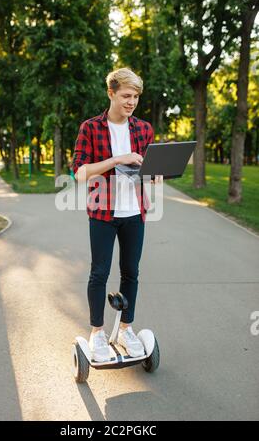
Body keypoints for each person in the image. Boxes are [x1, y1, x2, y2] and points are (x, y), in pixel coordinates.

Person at [72, 67, 160, 362]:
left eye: (135, 96)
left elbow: (147, 169)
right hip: (103, 212)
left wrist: (157, 174)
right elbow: (80, 174)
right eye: (125, 95)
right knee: (99, 273)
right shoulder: (91, 128)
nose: (131, 101)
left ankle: (125, 329)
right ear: (111, 93)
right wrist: (117, 159)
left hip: (135, 211)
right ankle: (97, 332)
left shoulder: (143, 129)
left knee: (131, 273)